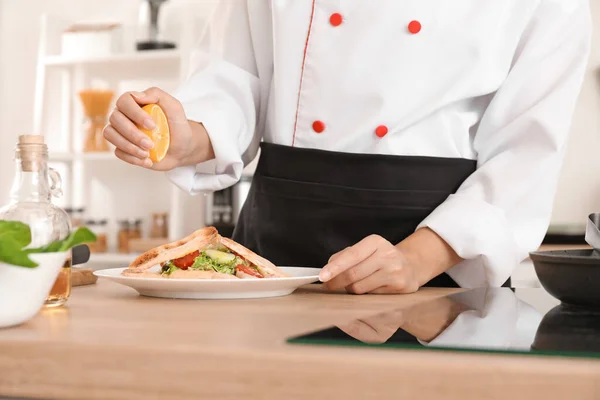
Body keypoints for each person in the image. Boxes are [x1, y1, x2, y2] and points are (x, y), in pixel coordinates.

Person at [104, 1, 591, 293]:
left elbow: (526, 153)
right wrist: (189, 135)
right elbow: (237, 74)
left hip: (438, 274)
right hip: (274, 261)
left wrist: (416, 259)